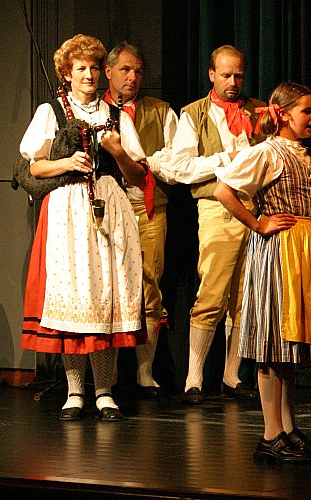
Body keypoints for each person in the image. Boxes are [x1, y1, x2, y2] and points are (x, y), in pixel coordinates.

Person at [213, 81, 311, 461]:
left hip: (309, 248)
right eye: (307, 110)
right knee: (273, 344)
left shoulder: (307, 157)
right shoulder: (267, 153)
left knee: (289, 350)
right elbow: (224, 191)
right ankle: (270, 436)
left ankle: (287, 427)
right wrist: (258, 223)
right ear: (282, 113)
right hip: (280, 250)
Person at [19, 34, 148, 422]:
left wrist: (117, 151)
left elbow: (137, 175)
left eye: (94, 67)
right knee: (75, 297)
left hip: (108, 207)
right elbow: (34, 167)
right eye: (81, 68)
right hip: (66, 209)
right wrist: (67, 162)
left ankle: (104, 391)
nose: (89, 75)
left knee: (105, 297)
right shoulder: (51, 112)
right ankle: (75, 391)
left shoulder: (116, 116)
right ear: (66, 73)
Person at [149, 45, 263, 403]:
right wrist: (224, 159)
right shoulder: (194, 115)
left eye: (238, 75)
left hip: (256, 208)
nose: (233, 82)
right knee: (211, 292)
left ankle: (232, 376)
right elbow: (181, 168)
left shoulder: (258, 111)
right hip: (217, 207)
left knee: (245, 296)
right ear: (211, 75)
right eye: (226, 75)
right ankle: (194, 378)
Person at [104, 41, 178, 397]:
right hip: (106, 210)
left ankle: (144, 372)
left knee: (150, 284)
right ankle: (110, 375)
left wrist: (150, 164)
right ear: (109, 72)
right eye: (125, 70)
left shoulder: (160, 111)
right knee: (112, 288)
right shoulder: (91, 110)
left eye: (137, 71)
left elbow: (177, 160)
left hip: (150, 207)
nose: (132, 77)